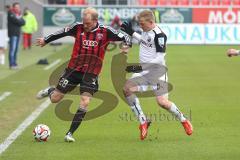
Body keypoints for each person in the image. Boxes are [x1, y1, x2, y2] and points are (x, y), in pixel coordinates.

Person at [35, 7, 131, 142]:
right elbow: (61, 32)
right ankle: (51, 91)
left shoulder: (105, 31)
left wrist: (125, 48)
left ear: (96, 20)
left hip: (91, 73)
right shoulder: (77, 27)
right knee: (55, 98)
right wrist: (46, 40)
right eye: (84, 22)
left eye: (88, 23)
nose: (85, 26)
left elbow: (126, 37)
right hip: (73, 70)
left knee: (85, 101)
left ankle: (70, 133)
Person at [120, 10, 193, 140]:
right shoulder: (146, 30)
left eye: (142, 24)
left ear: (151, 22)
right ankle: (143, 122)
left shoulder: (160, 35)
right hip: (143, 70)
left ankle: (183, 120)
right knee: (127, 90)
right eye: (139, 24)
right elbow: (145, 41)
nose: (140, 26)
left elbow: (159, 59)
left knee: (162, 102)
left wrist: (138, 67)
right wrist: (132, 33)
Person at [7, 2, 25, 69]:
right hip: (12, 34)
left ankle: (14, 64)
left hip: (17, 34)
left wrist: (19, 20)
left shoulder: (19, 14)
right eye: (16, 7)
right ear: (13, 7)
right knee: (12, 50)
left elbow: (23, 22)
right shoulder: (10, 13)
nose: (18, 8)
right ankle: (11, 65)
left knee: (16, 50)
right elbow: (17, 21)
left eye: (18, 7)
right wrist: (19, 20)